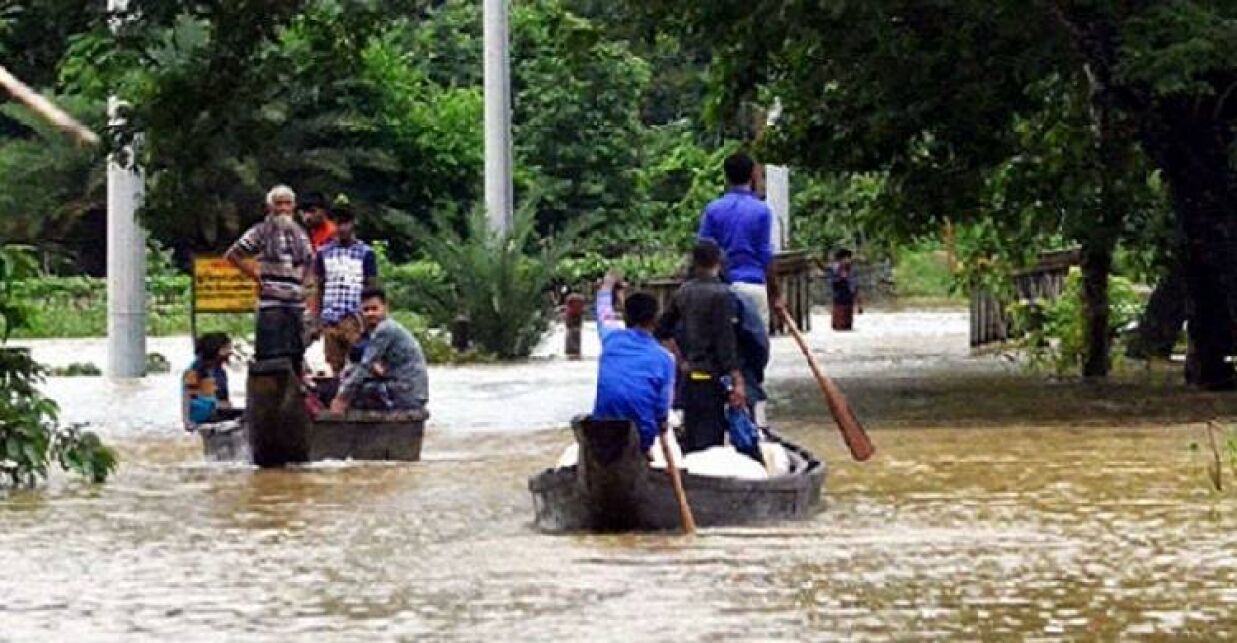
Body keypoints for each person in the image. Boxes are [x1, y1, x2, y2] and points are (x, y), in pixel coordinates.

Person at [656, 240, 746, 453]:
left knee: (692, 435)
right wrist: (738, 381)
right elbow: (726, 344)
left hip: (689, 378)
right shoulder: (724, 295)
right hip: (713, 380)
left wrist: (681, 361)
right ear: (718, 262)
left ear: (694, 263)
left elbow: (661, 331)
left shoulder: (683, 292)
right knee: (711, 440)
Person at [224, 185, 315, 373]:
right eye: (278, 203)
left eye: (287, 203)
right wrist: (255, 274)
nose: (283, 208)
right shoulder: (261, 231)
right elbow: (234, 254)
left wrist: (307, 289)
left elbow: (310, 263)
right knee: (268, 358)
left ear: (293, 207)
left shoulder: (300, 233)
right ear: (270, 207)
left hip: (295, 305)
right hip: (270, 304)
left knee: (295, 357)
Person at [697, 151, 783, 330]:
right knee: (756, 351)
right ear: (752, 175)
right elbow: (765, 255)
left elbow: (703, 252)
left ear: (726, 177)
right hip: (752, 286)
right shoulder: (761, 211)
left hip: (720, 289)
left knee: (722, 349)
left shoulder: (713, 210)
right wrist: (775, 294)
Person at [592, 270, 676, 453]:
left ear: (626, 318)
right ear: (655, 320)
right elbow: (662, 410)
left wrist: (607, 285)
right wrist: (661, 425)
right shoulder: (664, 359)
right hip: (641, 435)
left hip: (599, 431)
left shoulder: (611, 340)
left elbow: (603, 311)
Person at [331, 287, 429, 412]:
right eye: (366, 310)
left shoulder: (385, 329)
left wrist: (341, 397)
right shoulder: (374, 331)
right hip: (407, 388)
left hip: (408, 394)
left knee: (360, 391)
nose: (370, 313)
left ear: (385, 308)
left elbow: (365, 365)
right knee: (350, 375)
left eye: (374, 309)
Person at [314, 206, 378, 375]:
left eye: (345, 224)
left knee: (362, 363)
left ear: (353, 224)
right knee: (334, 367)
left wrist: (372, 319)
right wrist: (317, 318)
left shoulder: (366, 253)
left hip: (355, 318)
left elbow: (371, 286)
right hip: (330, 318)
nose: (341, 229)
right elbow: (319, 286)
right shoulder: (323, 253)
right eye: (337, 224)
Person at [183, 332, 244, 427]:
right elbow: (190, 397)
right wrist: (217, 403)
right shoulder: (197, 369)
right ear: (216, 349)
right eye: (227, 348)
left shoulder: (218, 369)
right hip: (204, 415)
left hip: (215, 411)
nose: (230, 352)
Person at [830, 248, 862, 331]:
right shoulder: (836, 269)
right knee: (839, 324)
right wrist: (841, 278)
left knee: (847, 324)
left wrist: (859, 303)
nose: (849, 260)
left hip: (848, 298)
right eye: (847, 258)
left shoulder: (851, 269)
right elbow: (833, 282)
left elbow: (855, 285)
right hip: (839, 298)